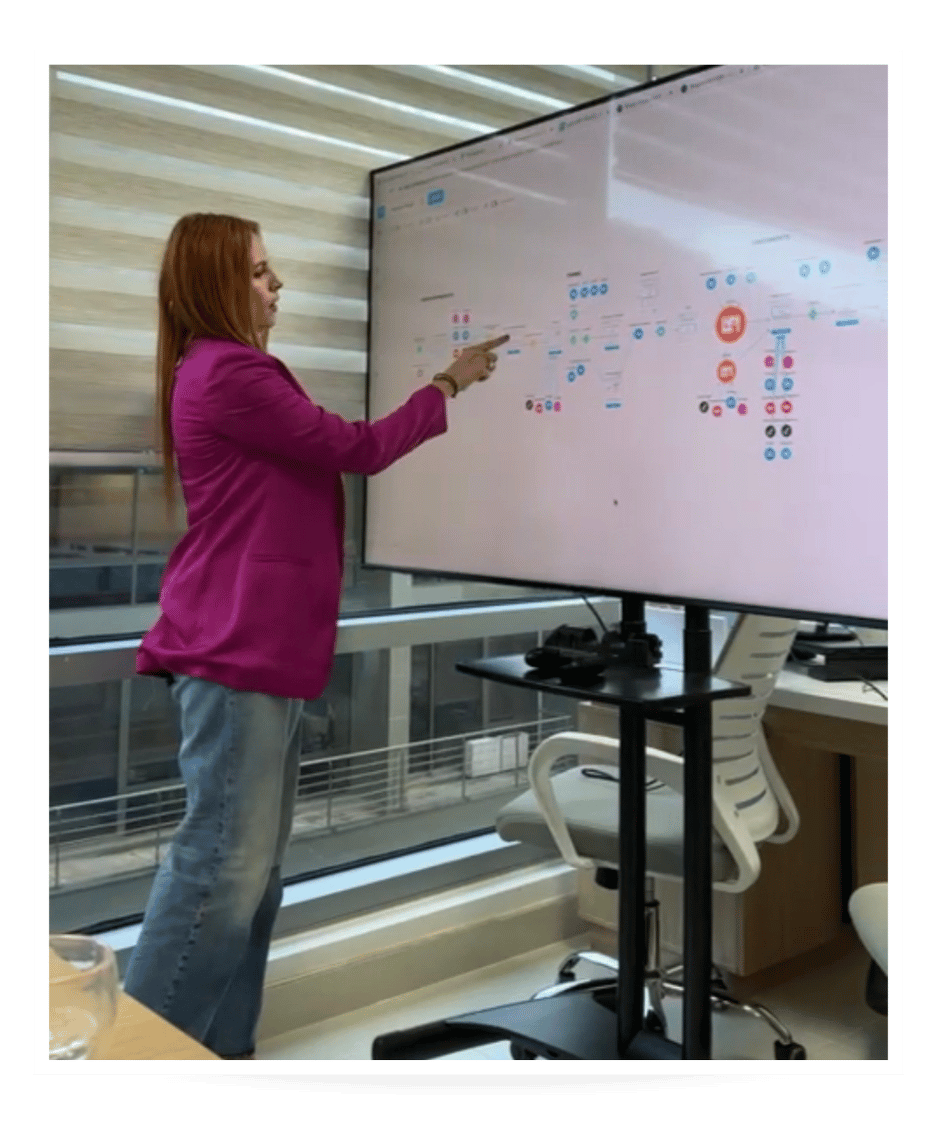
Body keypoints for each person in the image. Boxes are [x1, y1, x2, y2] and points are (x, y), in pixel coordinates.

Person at [123, 212, 508, 1058]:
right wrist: (446, 384)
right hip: (234, 650)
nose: (277, 284)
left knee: (251, 877)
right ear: (217, 284)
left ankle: (223, 1052)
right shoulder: (231, 373)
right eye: (260, 271)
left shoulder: (218, 369)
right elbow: (358, 449)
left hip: (258, 650)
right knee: (220, 873)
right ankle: (135, 1067)